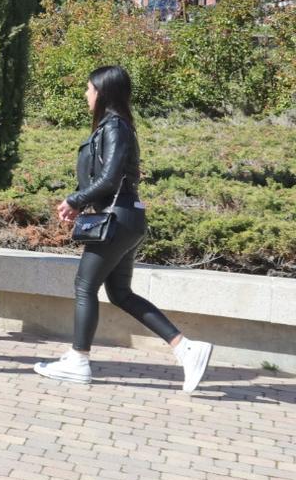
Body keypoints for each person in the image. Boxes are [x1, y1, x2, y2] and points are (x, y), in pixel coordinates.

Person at [36, 66, 213, 390]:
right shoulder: (114, 126)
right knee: (120, 293)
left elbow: (110, 178)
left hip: (118, 219)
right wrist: (85, 202)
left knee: (84, 286)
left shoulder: (115, 126)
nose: (85, 94)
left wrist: (75, 200)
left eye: (89, 89)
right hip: (124, 217)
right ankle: (187, 349)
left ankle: (78, 360)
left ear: (102, 92)